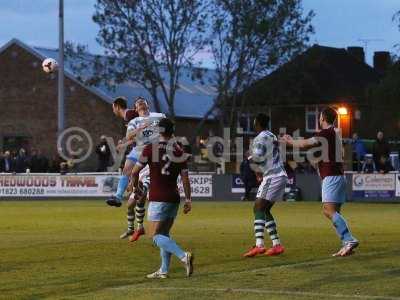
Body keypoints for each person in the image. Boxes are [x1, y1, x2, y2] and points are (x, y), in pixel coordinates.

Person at [281, 107, 359, 257]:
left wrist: (289, 141)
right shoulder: (334, 133)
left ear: (323, 118)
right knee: (335, 212)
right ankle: (346, 244)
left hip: (331, 177)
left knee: (327, 211)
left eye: (319, 116)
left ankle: (349, 239)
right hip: (338, 176)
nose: (318, 119)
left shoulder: (326, 133)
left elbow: (306, 144)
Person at [130, 118, 193, 279]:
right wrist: (188, 199)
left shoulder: (150, 149)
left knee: (155, 236)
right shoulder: (179, 151)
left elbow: (134, 172)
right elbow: (185, 178)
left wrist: (136, 189)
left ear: (159, 131)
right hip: (174, 197)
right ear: (172, 132)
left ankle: (183, 256)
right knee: (164, 233)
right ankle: (163, 270)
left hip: (158, 198)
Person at [107, 97, 166, 243]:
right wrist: (138, 130)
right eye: (138, 102)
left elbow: (169, 128)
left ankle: (141, 226)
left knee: (139, 190)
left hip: (152, 151)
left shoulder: (158, 116)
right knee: (127, 168)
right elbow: (129, 135)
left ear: (147, 105)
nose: (140, 102)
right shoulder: (134, 121)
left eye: (142, 101)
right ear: (135, 107)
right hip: (139, 149)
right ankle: (118, 196)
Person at [243, 113, 288, 258]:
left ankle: (259, 245)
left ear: (257, 123)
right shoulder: (271, 135)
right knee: (265, 209)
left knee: (257, 207)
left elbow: (257, 157)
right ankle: (277, 245)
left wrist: (248, 156)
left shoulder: (260, 137)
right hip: (278, 174)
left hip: (273, 175)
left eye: (254, 123)